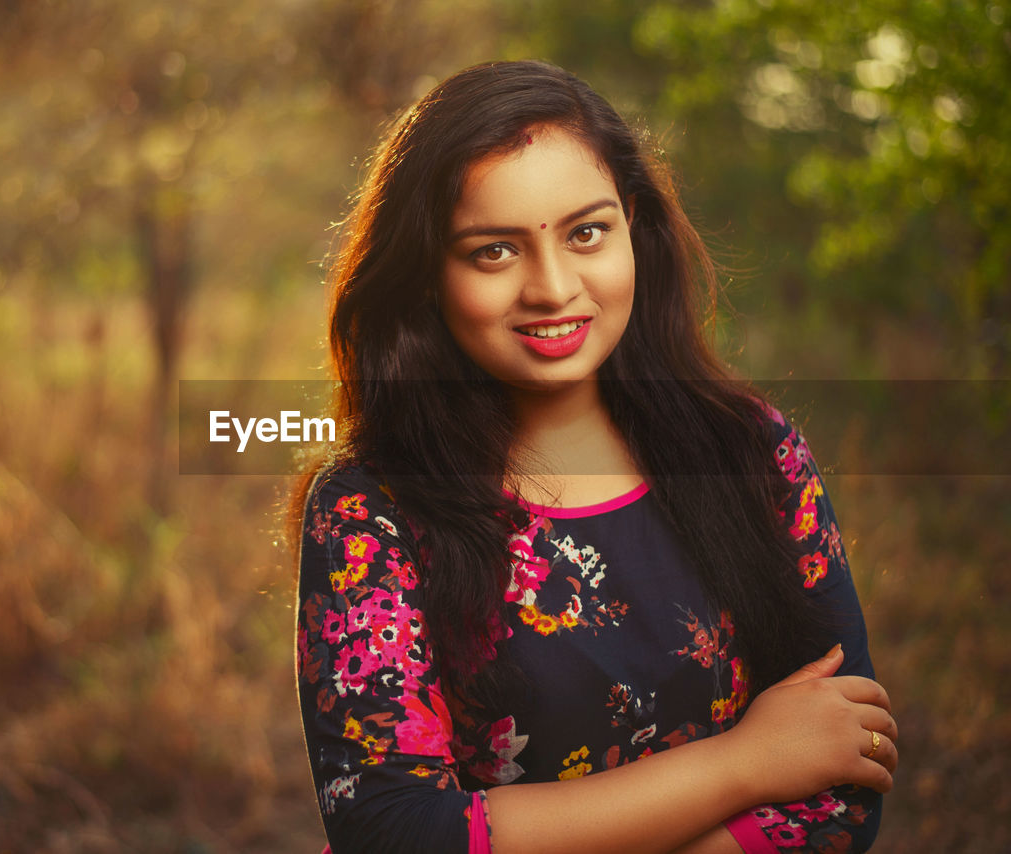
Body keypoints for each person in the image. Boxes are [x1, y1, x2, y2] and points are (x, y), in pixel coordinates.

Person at [292, 60, 896, 854]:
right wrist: (743, 765)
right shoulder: (370, 512)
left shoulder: (755, 453)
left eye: (586, 233)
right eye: (494, 251)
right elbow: (394, 832)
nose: (552, 288)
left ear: (633, 227)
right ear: (427, 273)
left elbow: (844, 765)